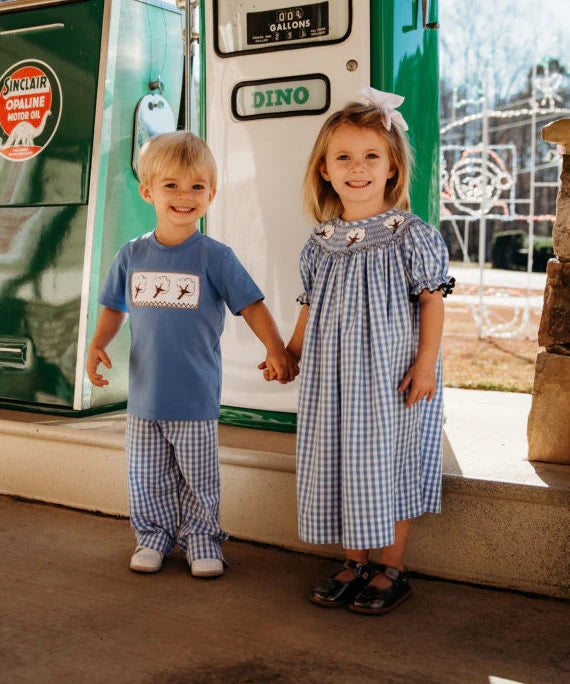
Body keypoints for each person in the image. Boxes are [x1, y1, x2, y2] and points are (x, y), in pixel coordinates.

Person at [87, 131, 297, 578]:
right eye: (171, 186)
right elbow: (112, 306)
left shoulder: (215, 256)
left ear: (212, 194)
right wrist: (98, 345)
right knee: (148, 477)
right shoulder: (131, 254)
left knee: (199, 480)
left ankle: (202, 538)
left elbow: (252, 305)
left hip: (196, 399)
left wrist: (275, 348)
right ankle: (154, 537)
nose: (185, 196)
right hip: (144, 398)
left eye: (197, 187)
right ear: (148, 192)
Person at [282, 88, 454, 613]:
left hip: (393, 375)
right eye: (344, 158)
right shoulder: (320, 241)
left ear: (392, 167)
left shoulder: (410, 234)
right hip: (334, 377)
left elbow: (433, 302)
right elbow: (309, 305)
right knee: (344, 459)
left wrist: (425, 364)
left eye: (371, 156)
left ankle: (392, 567)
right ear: (325, 171)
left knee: (389, 461)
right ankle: (355, 560)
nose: (358, 168)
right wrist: (290, 351)